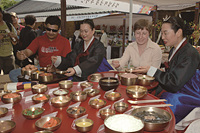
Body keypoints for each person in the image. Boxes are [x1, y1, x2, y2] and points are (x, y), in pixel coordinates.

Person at [132, 16, 200, 123]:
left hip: (188, 92)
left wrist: (152, 70)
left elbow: (174, 83)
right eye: (162, 33)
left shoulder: (190, 53)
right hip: (177, 85)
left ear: (178, 32)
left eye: (165, 33)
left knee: (169, 100)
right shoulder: (174, 50)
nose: (162, 37)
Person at [9, 16, 71, 82]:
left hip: (58, 72)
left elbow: (68, 63)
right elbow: (27, 52)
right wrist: (21, 54)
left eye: (54, 31)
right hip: (41, 71)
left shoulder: (65, 42)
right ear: (45, 26)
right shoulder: (39, 40)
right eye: (48, 29)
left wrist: (56, 69)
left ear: (59, 29)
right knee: (13, 73)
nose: (51, 32)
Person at [0, 8, 18, 74]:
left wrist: (14, 37)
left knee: (10, 76)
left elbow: (15, 42)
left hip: (9, 55)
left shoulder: (9, 25)